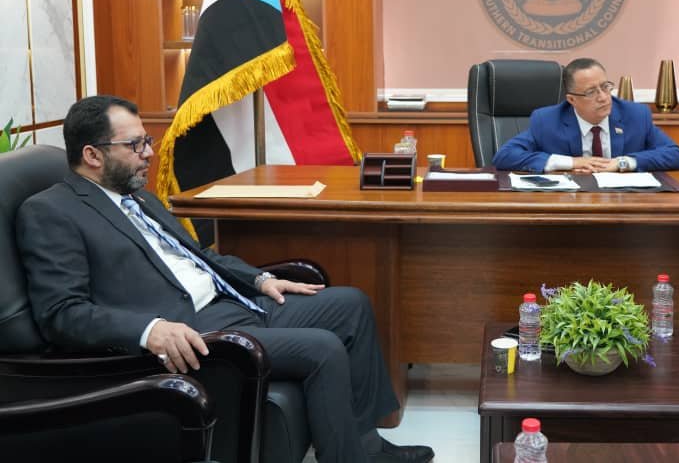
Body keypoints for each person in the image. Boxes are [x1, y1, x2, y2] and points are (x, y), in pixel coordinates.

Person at [15, 95, 434, 463]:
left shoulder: (140, 198)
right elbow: (62, 313)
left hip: (231, 302)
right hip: (190, 329)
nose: (149, 153)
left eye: (147, 140)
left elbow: (202, 256)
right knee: (323, 347)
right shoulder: (50, 212)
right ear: (92, 155)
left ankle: (367, 446)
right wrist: (150, 330)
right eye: (135, 144)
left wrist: (261, 279)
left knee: (351, 304)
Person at [492, 57, 679, 173]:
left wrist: (622, 162)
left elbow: (674, 154)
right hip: (570, 208)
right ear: (572, 99)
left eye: (605, 87)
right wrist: (571, 162)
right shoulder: (547, 120)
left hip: (623, 206)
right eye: (591, 92)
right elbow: (505, 156)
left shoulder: (635, 115)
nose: (603, 97)